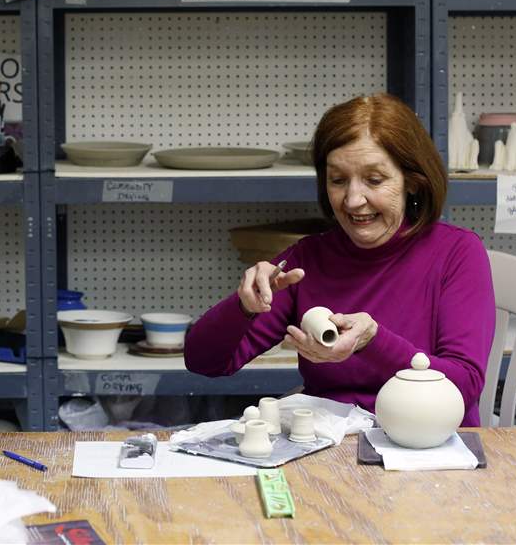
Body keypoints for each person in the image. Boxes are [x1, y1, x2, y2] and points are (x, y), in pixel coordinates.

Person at [184, 94, 496, 425]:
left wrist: (374, 342)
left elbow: (462, 387)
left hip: (429, 449)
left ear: (413, 184)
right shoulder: (307, 259)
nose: (353, 200)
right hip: (332, 448)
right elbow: (204, 361)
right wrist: (242, 306)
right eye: (338, 180)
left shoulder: (457, 253)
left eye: (374, 180)